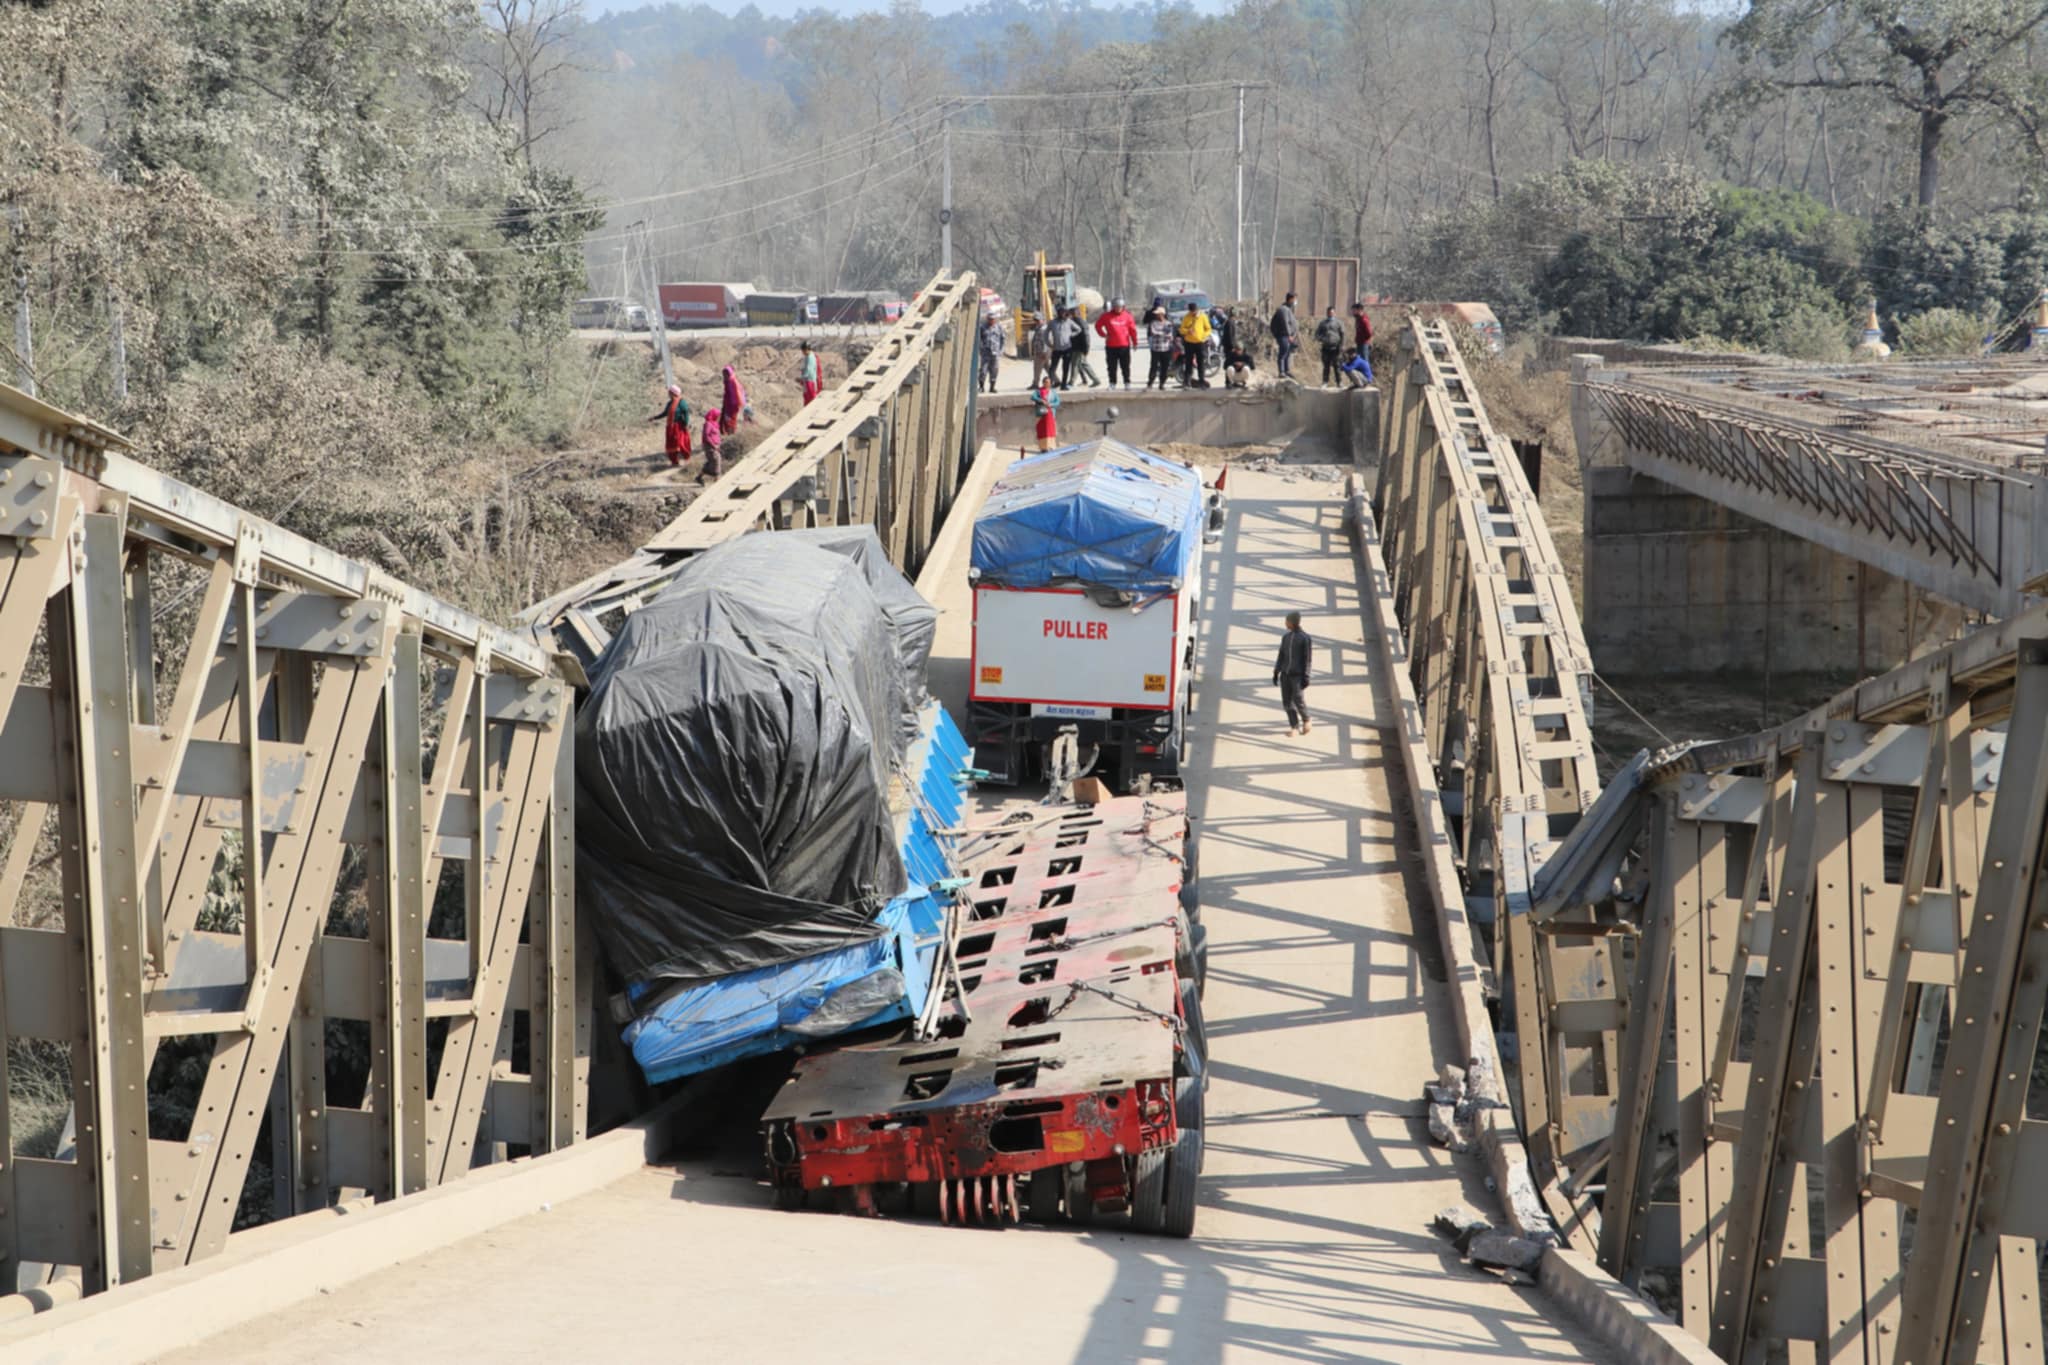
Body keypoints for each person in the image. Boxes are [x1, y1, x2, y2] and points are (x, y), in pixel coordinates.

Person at [1272, 611, 1313, 735]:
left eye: (1287, 621)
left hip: (1297, 675)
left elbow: (1307, 659)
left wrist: (1306, 675)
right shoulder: (1286, 638)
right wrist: (1276, 671)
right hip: (1285, 674)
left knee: (1298, 698)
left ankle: (1306, 719)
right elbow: (1281, 655)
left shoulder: (1305, 638)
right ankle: (1294, 726)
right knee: (1287, 702)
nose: (1285, 623)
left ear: (1292, 622)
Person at [646, 383, 691, 469]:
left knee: (681, 443)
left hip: (679, 427)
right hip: (670, 427)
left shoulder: (681, 402)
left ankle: (686, 459)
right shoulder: (670, 403)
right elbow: (665, 413)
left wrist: (685, 423)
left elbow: (686, 413)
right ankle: (674, 462)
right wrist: (655, 418)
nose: (668, 394)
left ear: (673, 393)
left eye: (669, 392)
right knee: (671, 445)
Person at [1095, 297, 1137, 389]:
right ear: (1113, 307)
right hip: (1111, 346)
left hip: (1124, 346)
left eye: (1120, 307)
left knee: (1125, 366)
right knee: (1111, 366)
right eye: (1116, 306)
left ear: (1123, 307)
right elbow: (1098, 326)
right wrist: (1103, 335)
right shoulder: (1106, 316)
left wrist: (1135, 342)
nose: (1118, 308)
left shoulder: (1128, 316)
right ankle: (1112, 383)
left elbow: (1133, 330)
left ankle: (1127, 382)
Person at [1177, 301, 1213, 387]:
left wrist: (1203, 336)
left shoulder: (1203, 317)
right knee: (1188, 363)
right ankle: (1187, 381)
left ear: (1197, 310)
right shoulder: (1186, 317)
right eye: (1191, 311)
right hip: (1189, 343)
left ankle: (1201, 381)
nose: (1193, 313)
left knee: (1200, 362)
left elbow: (1208, 329)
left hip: (1200, 343)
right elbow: (1181, 329)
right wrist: (1187, 331)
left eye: (1194, 311)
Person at [1068, 306, 1102, 388]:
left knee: (1075, 364)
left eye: (1072, 313)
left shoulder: (1079, 322)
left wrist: (1086, 348)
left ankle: (1071, 383)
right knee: (1083, 364)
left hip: (1079, 347)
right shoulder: (1074, 321)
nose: (1071, 314)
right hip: (1076, 346)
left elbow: (1086, 336)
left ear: (1077, 313)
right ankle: (1096, 380)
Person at [1270, 291, 1300, 379]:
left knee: (1288, 353)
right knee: (1283, 353)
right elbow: (1285, 323)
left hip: (1289, 336)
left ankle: (1287, 370)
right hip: (1284, 336)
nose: (1295, 301)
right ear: (1290, 299)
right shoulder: (1283, 309)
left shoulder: (1288, 309)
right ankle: (1281, 371)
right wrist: (1289, 335)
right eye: (1294, 299)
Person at [1144, 304, 1175, 390]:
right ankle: (1150, 383)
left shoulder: (1168, 323)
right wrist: (1163, 333)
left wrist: (1161, 333)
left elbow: (1169, 335)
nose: (1157, 315)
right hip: (1155, 348)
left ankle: (1162, 384)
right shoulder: (1153, 323)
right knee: (1153, 366)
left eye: (1158, 314)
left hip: (1166, 348)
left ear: (1162, 314)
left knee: (1164, 367)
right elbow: (1154, 332)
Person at [1314, 306, 1347, 385]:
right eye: (1329, 313)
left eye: (1332, 312)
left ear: (1334, 313)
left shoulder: (1339, 323)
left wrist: (1342, 345)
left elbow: (1343, 335)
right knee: (1326, 366)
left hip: (1336, 347)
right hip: (1326, 347)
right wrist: (1322, 339)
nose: (1330, 314)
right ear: (1327, 313)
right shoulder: (1322, 323)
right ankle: (1325, 382)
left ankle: (1339, 382)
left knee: (1337, 366)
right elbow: (1317, 334)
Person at [979, 308, 1006, 394]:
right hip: (985, 353)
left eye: (993, 319)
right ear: (987, 318)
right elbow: (979, 339)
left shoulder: (999, 327)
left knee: (994, 370)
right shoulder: (982, 327)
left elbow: (1003, 339)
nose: (992, 320)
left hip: (995, 353)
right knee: (983, 370)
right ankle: (981, 386)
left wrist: (1001, 350)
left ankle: (992, 387)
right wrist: (981, 348)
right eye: (990, 319)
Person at [1050, 307, 1077, 388]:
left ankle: (1064, 384)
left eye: (1064, 313)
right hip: (1056, 349)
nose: (1063, 315)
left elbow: (1078, 329)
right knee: (1052, 368)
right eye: (1061, 313)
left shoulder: (1069, 322)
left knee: (1065, 368)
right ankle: (1053, 383)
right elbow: (1046, 332)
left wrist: (1071, 335)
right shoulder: (1053, 322)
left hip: (1067, 348)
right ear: (1058, 314)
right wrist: (1049, 343)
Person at [698, 403, 725, 483]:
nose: (719, 418)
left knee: (712, 462)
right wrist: (714, 445)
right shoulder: (708, 424)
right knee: (717, 460)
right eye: (718, 416)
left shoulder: (715, 424)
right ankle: (717, 479)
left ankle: (699, 477)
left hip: (715, 446)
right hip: (710, 446)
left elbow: (715, 435)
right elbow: (706, 436)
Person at [1032, 379, 1061, 451]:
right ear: (1043, 383)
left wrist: (1050, 404)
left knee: (1051, 430)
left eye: (1049, 382)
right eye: (1046, 382)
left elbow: (1057, 402)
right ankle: (1043, 447)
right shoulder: (1038, 391)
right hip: (1042, 414)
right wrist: (1041, 400)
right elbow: (1033, 397)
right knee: (1042, 430)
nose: (1047, 384)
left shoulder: (1053, 392)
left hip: (1051, 413)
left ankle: (1051, 446)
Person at [720, 365, 748, 435]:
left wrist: (729, 407)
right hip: (729, 405)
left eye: (726, 374)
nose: (724, 376)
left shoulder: (730, 382)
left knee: (730, 422)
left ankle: (731, 434)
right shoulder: (728, 382)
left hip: (731, 407)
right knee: (727, 421)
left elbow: (732, 396)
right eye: (724, 374)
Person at [1029, 314, 1056, 390]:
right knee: (1047, 368)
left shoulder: (1044, 329)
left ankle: (1035, 384)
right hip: (1041, 351)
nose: (1036, 322)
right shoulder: (1039, 328)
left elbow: (1045, 342)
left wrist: (1044, 352)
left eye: (1038, 320)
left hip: (1042, 352)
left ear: (1043, 320)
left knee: (1037, 368)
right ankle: (1057, 381)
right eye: (1035, 320)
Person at [798, 340, 822, 406]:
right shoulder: (807, 356)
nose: (802, 352)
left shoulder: (810, 357)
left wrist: (801, 378)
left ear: (806, 349)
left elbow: (809, 370)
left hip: (810, 381)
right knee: (807, 399)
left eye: (803, 350)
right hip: (807, 381)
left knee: (812, 399)